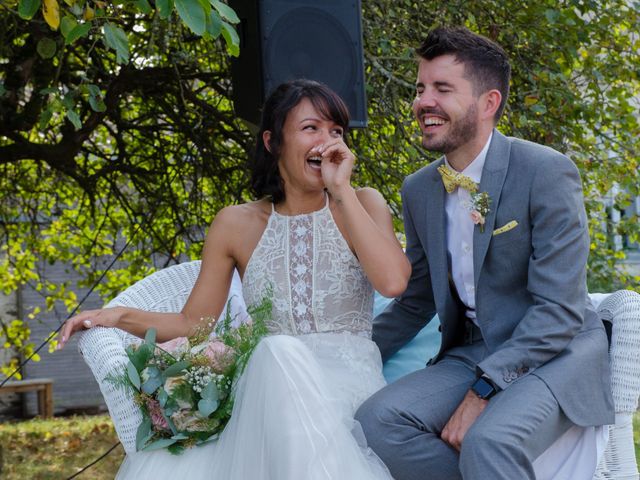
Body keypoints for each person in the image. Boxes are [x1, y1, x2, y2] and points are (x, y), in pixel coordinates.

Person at [59, 79, 410, 479]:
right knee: (277, 350)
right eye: (311, 128)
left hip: (349, 390)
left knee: (280, 356)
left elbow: (393, 282)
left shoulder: (363, 201)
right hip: (267, 392)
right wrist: (117, 316)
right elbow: (195, 325)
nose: (326, 142)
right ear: (272, 141)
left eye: (336, 131)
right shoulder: (236, 223)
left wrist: (341, 189)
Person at [355, 26, 614, 480]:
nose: (423, 102)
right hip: (471, 351)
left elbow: (558, 311)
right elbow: (415, 299)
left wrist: (483, 390)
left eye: (442, 88)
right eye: (419, 89)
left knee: (489, 440)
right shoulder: (418, 189)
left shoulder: (546, 172)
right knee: (377, 422)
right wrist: (347, 350)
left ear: (489, 103)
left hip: (556, 353)